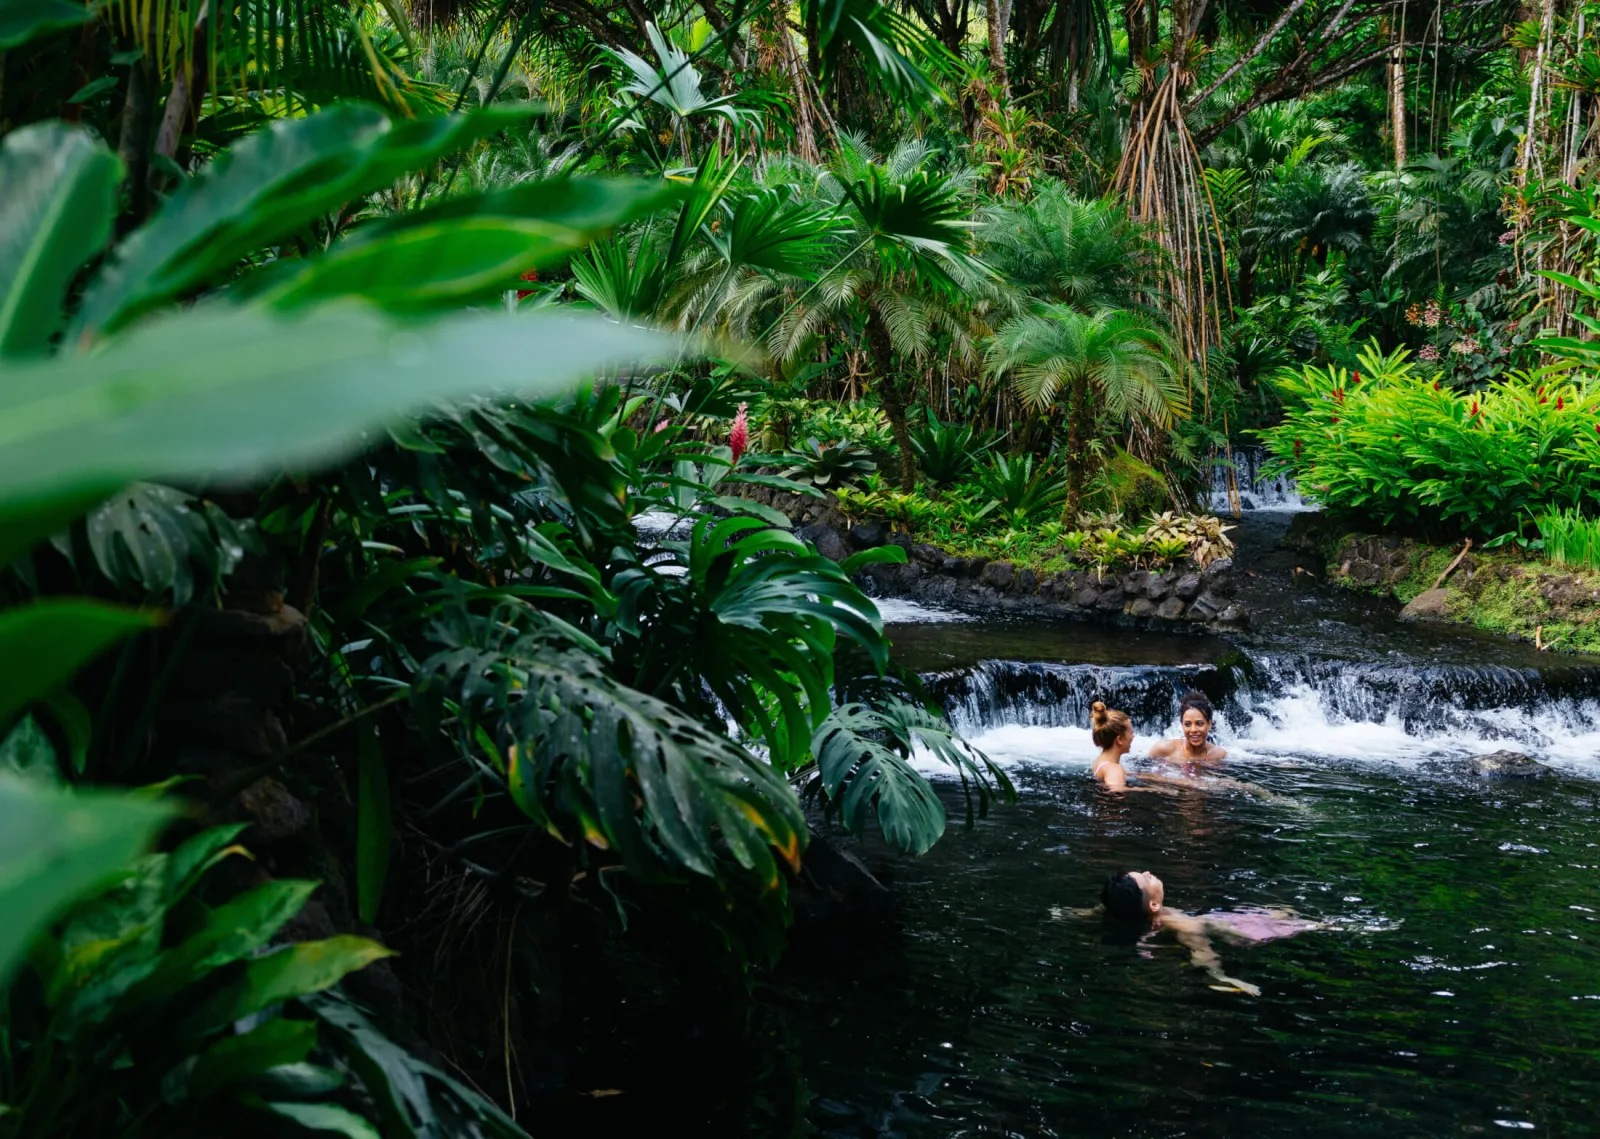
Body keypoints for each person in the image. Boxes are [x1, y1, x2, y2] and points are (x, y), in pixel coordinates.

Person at [1101, 870, 1322, 996]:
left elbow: (1098, 909)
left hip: (1221, 920)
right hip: (1236, 929)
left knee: (1284, 913)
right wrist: (1226, 978)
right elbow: (1202, 953)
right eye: (1146, 878)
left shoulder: (1118, 908)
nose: (1148, 873)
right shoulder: (1184, 926)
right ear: (1154, 906)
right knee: (1301, 922)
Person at [1148, 689, 1227, 774]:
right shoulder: (1162, 749)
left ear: (1209, 724)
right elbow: (1145, 776)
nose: (1193, 730)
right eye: (1187, 724)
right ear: (1182, 725)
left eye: (1199, 724)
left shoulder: (1219, 755)